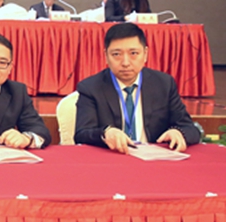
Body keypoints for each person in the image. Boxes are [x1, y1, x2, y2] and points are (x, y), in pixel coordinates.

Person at [74, 23, 199, 153]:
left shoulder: (164, 84)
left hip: (154, 158)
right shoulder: (90, 88)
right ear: (106, 56)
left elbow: (190, 129)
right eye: (116, 54)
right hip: (113, 157)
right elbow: (81, 134)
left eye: (133, 53)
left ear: (145, 54)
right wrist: (105, 133)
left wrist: (178, 132)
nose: (125, 63)